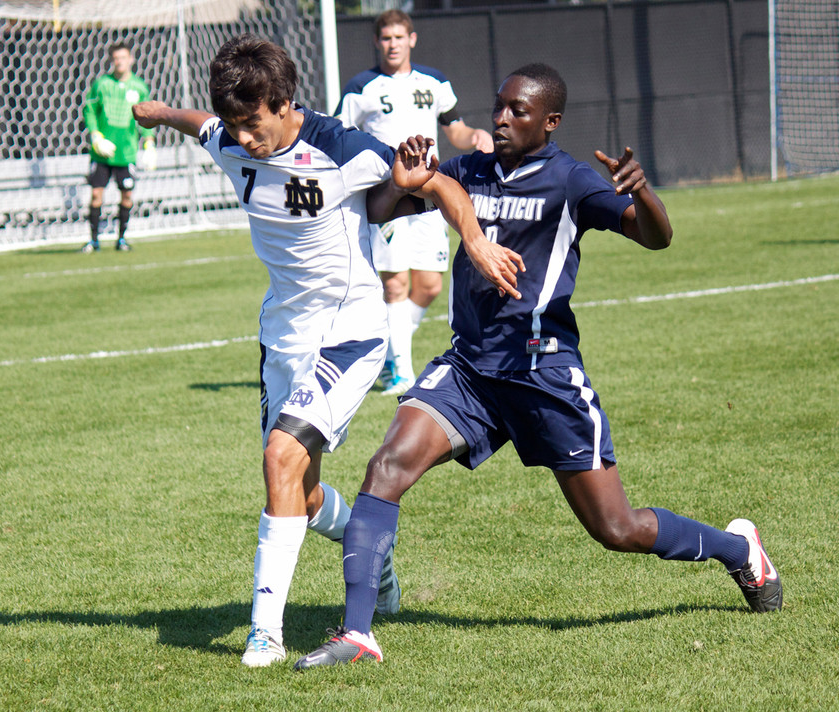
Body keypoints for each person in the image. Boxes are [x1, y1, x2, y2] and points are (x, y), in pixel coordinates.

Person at [295, 63, 782, 670]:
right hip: (470, 371)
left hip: (544, 376)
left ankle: (738, 550)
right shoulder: (468, 169)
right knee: (386, 467)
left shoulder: (571, 180)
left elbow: (656, 237)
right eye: (498, 106)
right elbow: (378, 210)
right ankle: (359, 633)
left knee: (617, 528)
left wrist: (642, 192)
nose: (501, 119)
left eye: (517, 111)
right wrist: (400, 184)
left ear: (550, 122)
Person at [131, 35, 522, 668]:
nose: (243, 138)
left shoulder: (341, 147)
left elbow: (436, 185)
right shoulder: (230, 139)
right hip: (282, 338)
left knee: (279, 457)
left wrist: (473, 241)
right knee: (301, 492)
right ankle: (375, 556)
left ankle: (264, 633)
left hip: (349, 332)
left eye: (253, 123)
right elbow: (197, 122)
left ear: (284, 104)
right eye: (234, 125)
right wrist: (156, 113)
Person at [335, 9, 494, 396]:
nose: (393, 44)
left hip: (430, 193)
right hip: (387, 195)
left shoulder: (434, 82)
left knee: (429, 286)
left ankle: (388, 351)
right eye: (386, 38)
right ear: (377, 42)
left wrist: (475, 136)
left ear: (412, 39)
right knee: (395, 285)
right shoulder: (361, 87)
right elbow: (340, 134)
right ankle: (401, 374)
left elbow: (455, 130)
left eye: (399, 37)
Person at [81, 41, 158, 253]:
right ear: (111, 61)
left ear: (131, 59)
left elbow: (147, 116)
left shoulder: (139, 87)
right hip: (102, 152)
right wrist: (96, 136)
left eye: (123, 57)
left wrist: (149, 143)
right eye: (116, 58)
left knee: (127, 195)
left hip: (126, 152)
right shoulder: (102, 84)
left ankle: (121, 239)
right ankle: (94, 241)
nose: (119, 62)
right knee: (96, 194)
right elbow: (89, 110)